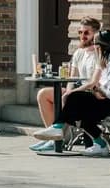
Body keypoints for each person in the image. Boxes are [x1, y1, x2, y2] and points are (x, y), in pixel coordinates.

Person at [33, 29, 110, 156]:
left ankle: (60, 129)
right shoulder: (107, 56)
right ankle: (95, 142)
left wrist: (97, 90)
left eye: (95, 44)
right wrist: (93, 90)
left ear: (100, 47)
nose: (93, 47)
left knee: (80, 104)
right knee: (77, 101)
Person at [30, 17, 101, 152]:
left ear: (96, 34)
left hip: (92, 93)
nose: (82, 36)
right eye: (80, 33)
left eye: (86, 33)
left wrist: (71, 94)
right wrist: (69, 91)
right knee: (43, 94)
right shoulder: (79, 52)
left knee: (71, 98)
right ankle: (54, 138)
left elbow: (96, 81)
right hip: (78, 90)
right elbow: (71, 78)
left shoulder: (100, 53)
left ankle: (56, 139)